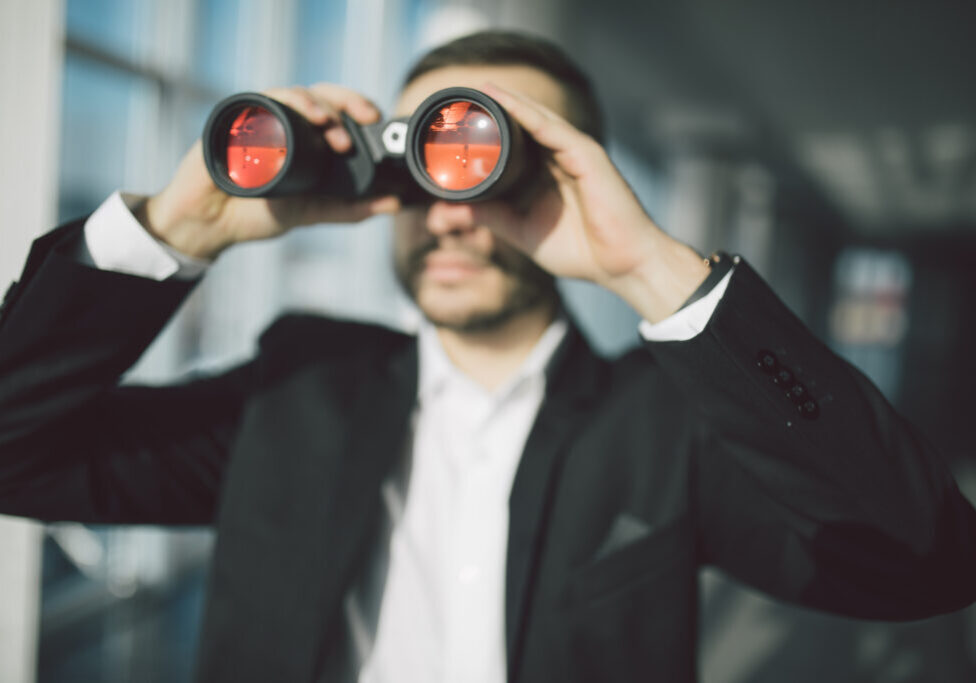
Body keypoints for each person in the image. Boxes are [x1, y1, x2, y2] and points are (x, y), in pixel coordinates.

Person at [0, 30, 974, 683]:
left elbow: (922, 563)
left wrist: (653, 271)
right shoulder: (300, 386)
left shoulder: (661, 423)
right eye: (425, 164)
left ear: (578, 177)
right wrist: (180, 226)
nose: (454, 210)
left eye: (486, 158)